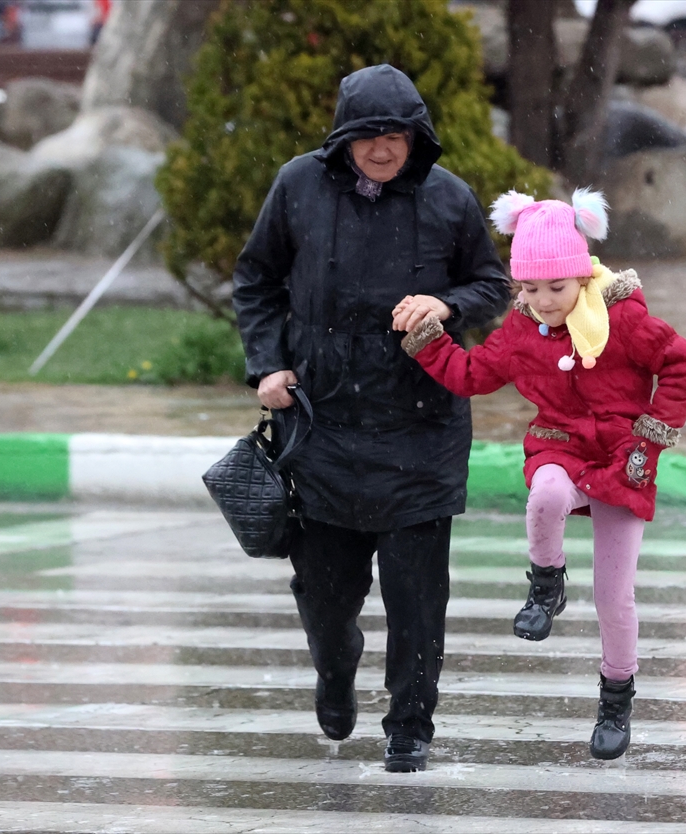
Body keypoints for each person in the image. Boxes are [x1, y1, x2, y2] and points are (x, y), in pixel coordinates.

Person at [231, 64, 510, 773]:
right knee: (324, 595)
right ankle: (335, 665)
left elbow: (492, 283)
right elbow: (256, 279)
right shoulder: (297, 186)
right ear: (342, 139)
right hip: (322, 425)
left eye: (397, 136)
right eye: (368, 137)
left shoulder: (449, 199)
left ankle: (410, 725)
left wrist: (446, 305)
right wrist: (267, 366)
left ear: (418, 137)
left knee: (418, 597)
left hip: (423, 427)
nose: (384, 150)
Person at [394, 189, 686, 760]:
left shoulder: (623, 321)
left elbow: (682, 363)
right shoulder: (521, 331)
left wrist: (650, 436)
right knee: (545, 493)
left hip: (622, 460)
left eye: (555, 288)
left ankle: (615, 695)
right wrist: (426, 339)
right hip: (559, 447)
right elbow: (469, 374)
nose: (543, 301)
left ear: (582, 278)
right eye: (529, 290)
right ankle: (546, 582)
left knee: (615, 599)